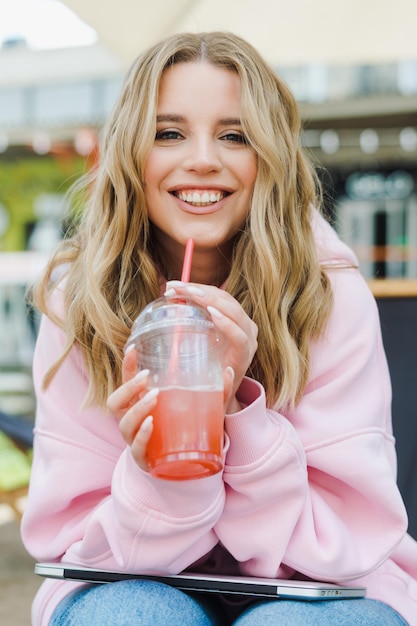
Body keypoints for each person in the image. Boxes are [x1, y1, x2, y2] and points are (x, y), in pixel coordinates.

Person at [21, 31, 417, 626]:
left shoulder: (331, 297)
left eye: (234, 135)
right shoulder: (82, 302)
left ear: (270, 157)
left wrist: (237, 413)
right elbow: (70, 544)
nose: (203, 157)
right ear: (131, 153)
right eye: (169, 133)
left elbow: (346, 546)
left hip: (314, 589)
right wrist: (163, 470)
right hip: (134, 578)